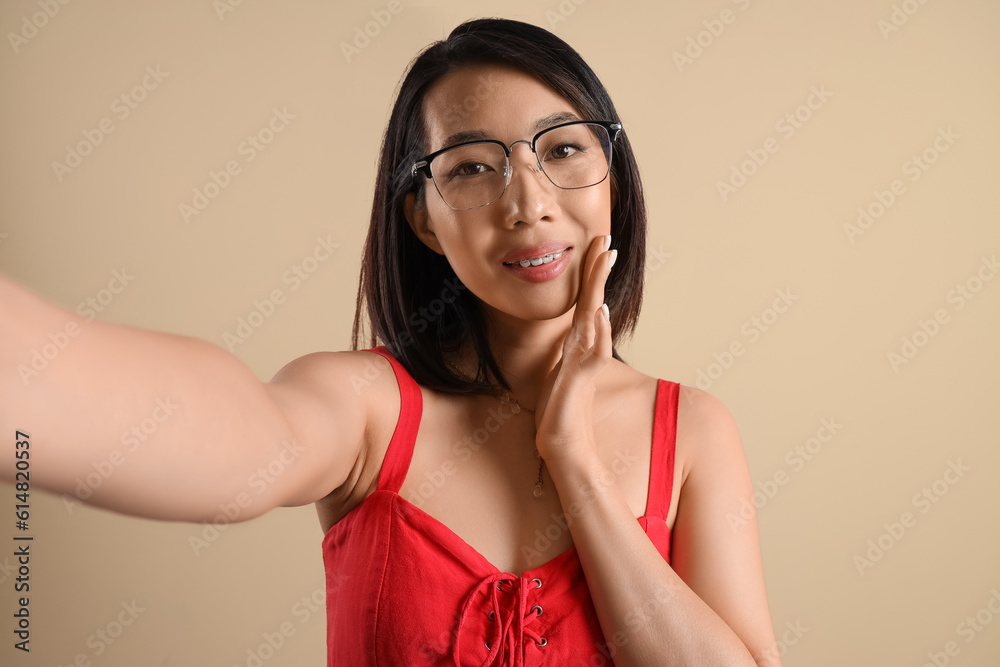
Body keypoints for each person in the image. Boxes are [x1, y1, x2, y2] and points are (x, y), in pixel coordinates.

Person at [1, 17, 779, 667]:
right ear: (421, 218)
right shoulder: (370, 409)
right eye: (474, 166)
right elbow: (235, 431)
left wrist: (573, 462)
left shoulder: (694, 433)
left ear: (614, 169)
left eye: (564, 148)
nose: (528, 202)